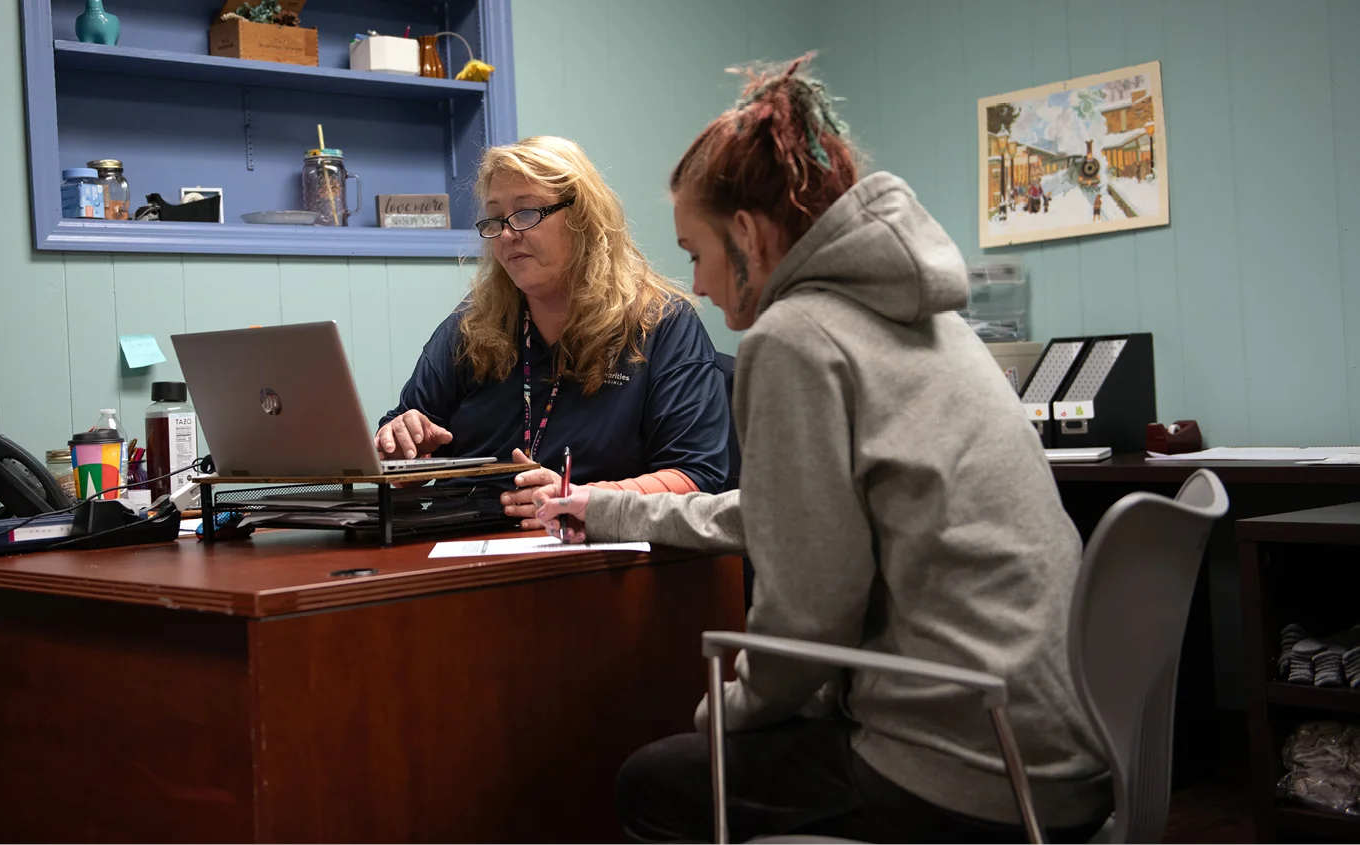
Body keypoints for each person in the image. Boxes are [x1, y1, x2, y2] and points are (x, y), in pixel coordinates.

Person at [536, 56, 1111, 842]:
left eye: (695, 251)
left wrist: (727, 710)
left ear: (746, 233)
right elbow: (798, 518)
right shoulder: (927, 317)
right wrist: (607, 506)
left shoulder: (795, 335)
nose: (696, 285)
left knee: (655, 780)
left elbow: (808, 611)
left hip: (962, 772)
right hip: (1048, 750)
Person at [377, 135, 730, 529]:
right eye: (495, 219)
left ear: (583, 219)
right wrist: (401, 446)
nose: (508, 234)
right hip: (461, 542)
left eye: (526, 213)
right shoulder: (471, 325)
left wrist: (582, 499)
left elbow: (696, 476)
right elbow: (402, 458)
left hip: (591, 547)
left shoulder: (661, 324)